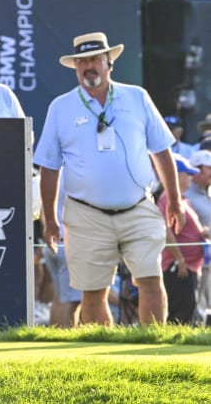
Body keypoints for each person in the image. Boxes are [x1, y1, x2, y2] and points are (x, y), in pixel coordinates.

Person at [35, 31, 183, 326]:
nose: (88, 66)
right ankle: (101, 360)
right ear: (75, 67)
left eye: (94, 59)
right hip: (86, 214)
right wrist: (50, 219)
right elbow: (49, 168)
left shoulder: (137, 97)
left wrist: (175, 200)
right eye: (82, 62)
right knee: (93, 292)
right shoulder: (60, 107)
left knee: (151, 280)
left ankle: (153, 352)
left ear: (108, 63)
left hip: (138, 206)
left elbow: (162, 152)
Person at [158, 154, 207, 324]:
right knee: (180, 313)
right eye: (188, 174)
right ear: (177, 176)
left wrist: (204, 232)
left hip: (188, 266)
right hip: (178, 267)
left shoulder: (183, 199)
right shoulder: (166, 198)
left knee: (187, 309)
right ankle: (171, 347)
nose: (191, 178)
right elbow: (165, 229)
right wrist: (179, 259)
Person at [186, 150, 211, 324]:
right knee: (199, 304)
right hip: (196, 261)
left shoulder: (207, 193)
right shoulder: (186, 196)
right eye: (209, 169)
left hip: (207, 261)